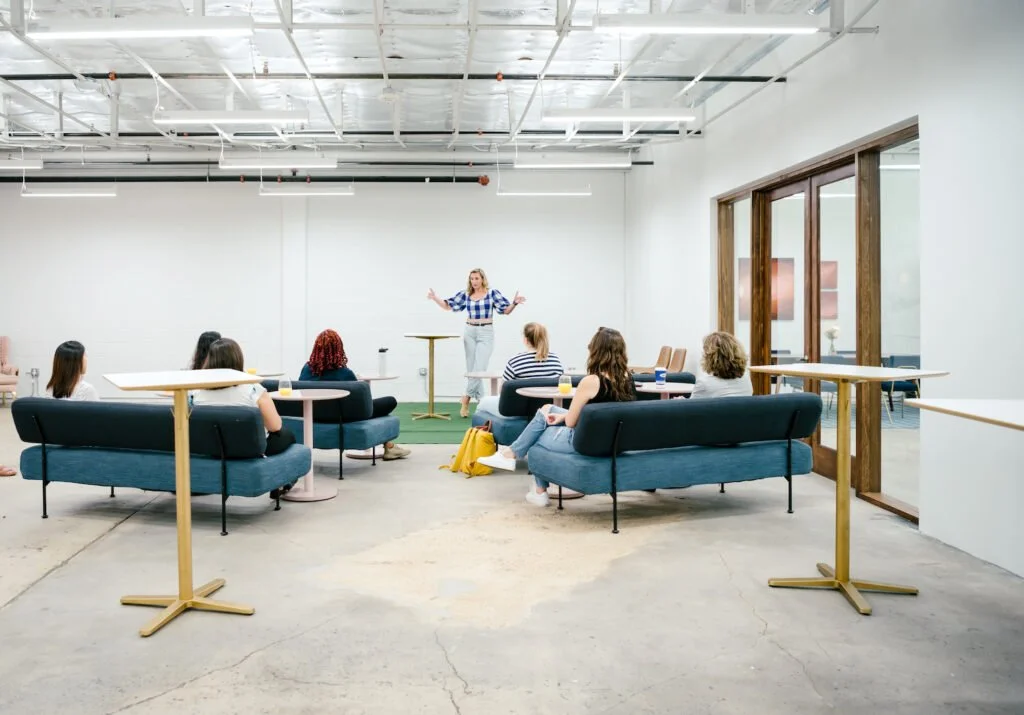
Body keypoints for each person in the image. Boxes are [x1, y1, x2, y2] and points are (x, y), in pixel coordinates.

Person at [479, 327, 637, 507]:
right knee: (547, 409)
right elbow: (602, 413)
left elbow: (571, 422)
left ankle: (533, 483)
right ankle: (512, 455)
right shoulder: (628, 379)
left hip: (585, 442)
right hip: (614, 441)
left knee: (537, 434)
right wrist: (560, 416)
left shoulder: (591, 381)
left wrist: (564, 419)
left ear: (596, 351)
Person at [427, 268, 526, 418]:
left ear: (482, 279)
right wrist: (435, 298)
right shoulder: (466, 294)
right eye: (472, 279)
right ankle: (481, 401)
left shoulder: (492, 293)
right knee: (472, 368)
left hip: (486, 332)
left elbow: (505, 310)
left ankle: (466, 399)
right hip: (470, 331)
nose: (474, 282)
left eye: (477, 279)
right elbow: (448, 306)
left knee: (480, 368)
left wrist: (515, 303)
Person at [297, 329, 410, 461]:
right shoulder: (344, 373)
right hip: (343, 417)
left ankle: (389, 446)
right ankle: (389, 446)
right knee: (390, 401)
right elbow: (360, 402)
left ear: (316, 348)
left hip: (313, 415)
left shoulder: (306, 370)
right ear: (339, 348)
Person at [192, 338, 296, 456]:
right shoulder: (253, 389)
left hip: (212, 450)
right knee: (287, 434)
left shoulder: (197, 393)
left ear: (209, 360)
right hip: (252, 450)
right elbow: (275, 426)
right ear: (238, 359)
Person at [477, 322, 564, 416]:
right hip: (550, 409)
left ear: (526, 340)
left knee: (482, 404)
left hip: (518, 411)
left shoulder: (515, 361)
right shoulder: (555, 360)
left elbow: (502, 391)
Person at [690, 331, 754, 399]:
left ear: (710, 358)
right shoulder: (746, 379)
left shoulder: (704, 384)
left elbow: (690, 407)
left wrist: (680, 401)